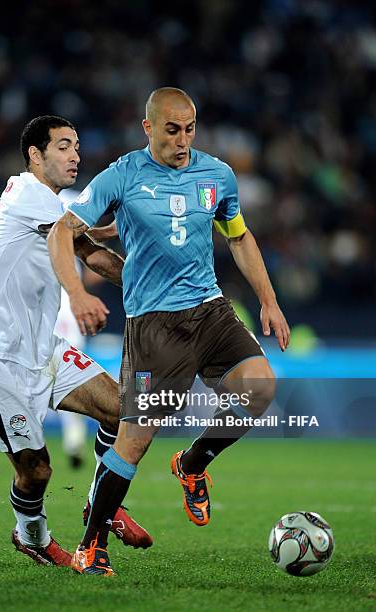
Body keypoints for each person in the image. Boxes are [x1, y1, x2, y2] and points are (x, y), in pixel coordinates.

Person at [47, 88, 290, 575]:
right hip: (153, 328)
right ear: (149, 128)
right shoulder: (122, 175)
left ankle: (193, 464)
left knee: (259, 386)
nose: (183, 140)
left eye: (190, 129)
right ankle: (91, 544)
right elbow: (64, 231)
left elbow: (238, 235)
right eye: (172, 130)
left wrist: (269, 300)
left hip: (210, 311)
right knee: (134, 442)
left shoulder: (217, 175)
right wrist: (79, 290)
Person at [0, 115, 152, 568]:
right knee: (37, 470)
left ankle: (99, 505)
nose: (75, 155)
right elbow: (86, 251)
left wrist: (150, 281)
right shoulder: (29, 192)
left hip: (40, 349)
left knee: (124, 408)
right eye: (63, 146)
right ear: (35, 154)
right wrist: (86, 291)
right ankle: (32, 535)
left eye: (77, 146)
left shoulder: (50, 203)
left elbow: (88, 242)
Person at [0, 193, 89, 470]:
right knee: (32, 367)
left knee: (69, 366)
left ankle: (71, 440)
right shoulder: (18, 194)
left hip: (63, 297)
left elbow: (91, 247)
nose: (70, 158)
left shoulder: (78, 199)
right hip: (31, 298)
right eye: (62, 147)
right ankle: (38, 440)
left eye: (72, 148)